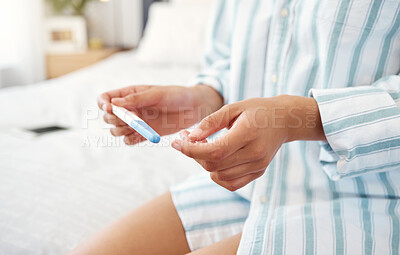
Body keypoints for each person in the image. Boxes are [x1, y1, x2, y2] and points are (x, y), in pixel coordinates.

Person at [71, 0, 400, 254]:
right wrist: (200, 98)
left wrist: (292, 117)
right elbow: (227, 60)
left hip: (364, 200)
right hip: (249, 191)